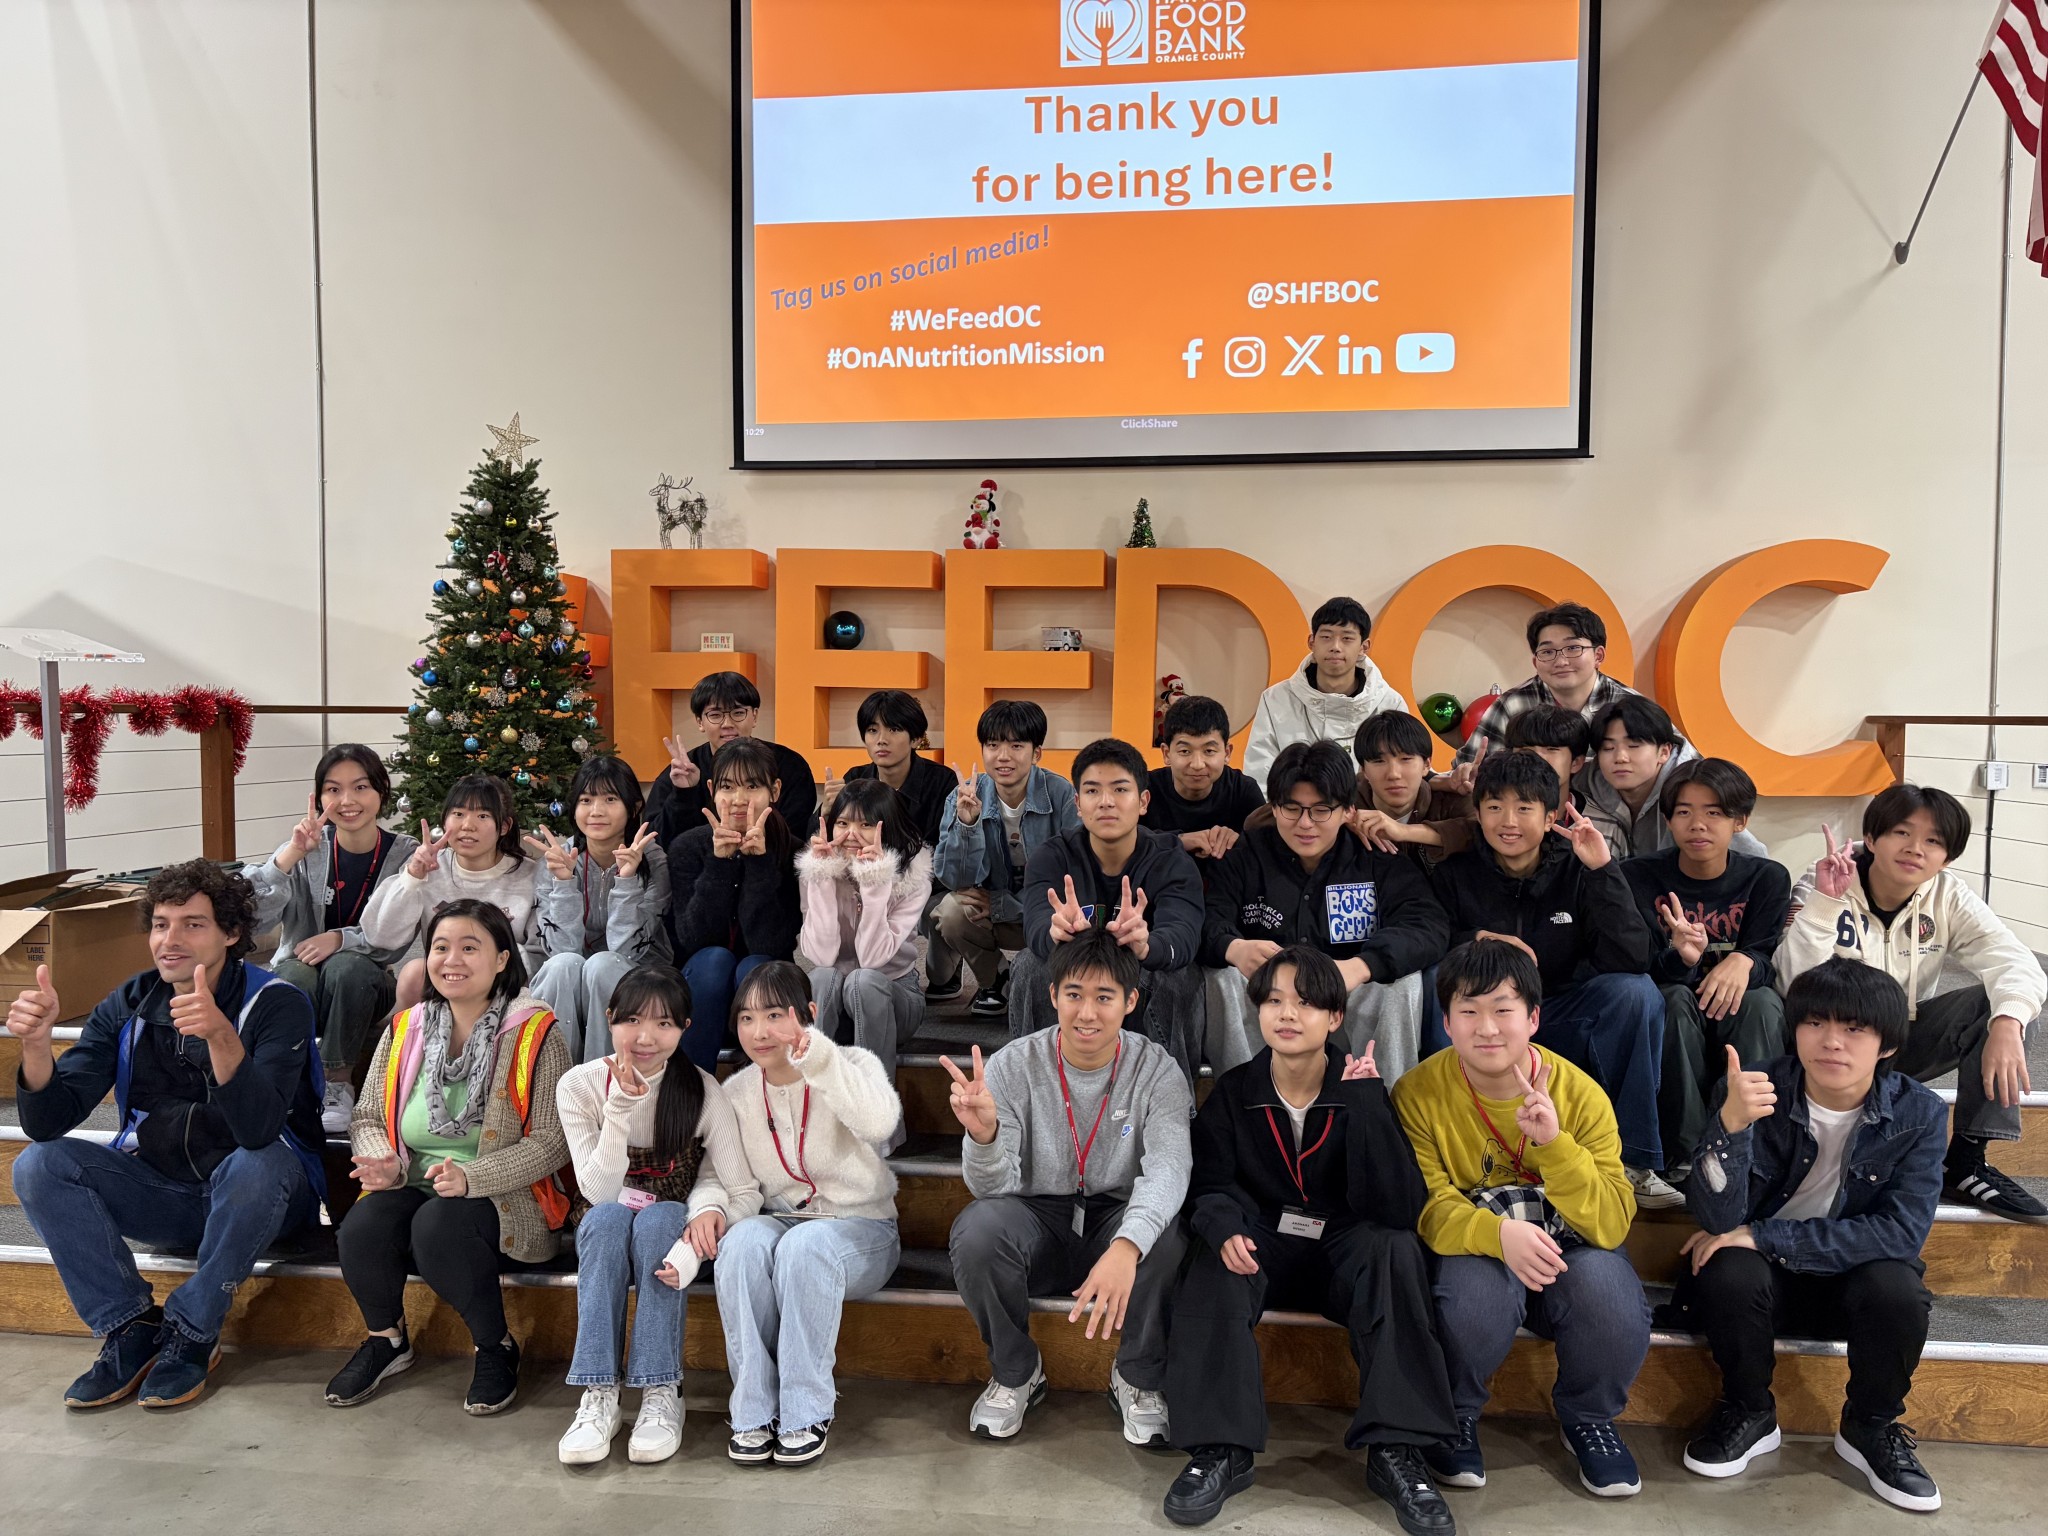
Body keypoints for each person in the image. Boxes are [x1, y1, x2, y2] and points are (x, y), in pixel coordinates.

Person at [8, 861, 326, 1410]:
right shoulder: (129, 1002)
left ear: (231, 933)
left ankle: (193, 1332)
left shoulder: (277, 1003)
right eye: (160, 924)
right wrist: (36, 1047)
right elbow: (46, 1123)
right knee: (38, 1164)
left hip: (266, 1198)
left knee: (257, 1163)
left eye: (192, 925)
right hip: (168, 1194)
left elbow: (258, 1130)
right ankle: (129, 1327)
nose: (170, 940)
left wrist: (221, 1036)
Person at [1163, 946, 1459, 1533]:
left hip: (1342, 1246)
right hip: (1265, 1240)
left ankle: (1397, 1449)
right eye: (1273, 1001)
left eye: (1305, 1003)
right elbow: (1211, 1184)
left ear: (1335, 1016)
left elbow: (1400, 1207)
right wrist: (1224, 1227)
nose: (1287, 1014)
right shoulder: (1235, 1091)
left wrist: (1367, 1107)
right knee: (1212, 1256)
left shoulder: (1362, 1087)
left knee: (1395, 1249)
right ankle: (1220, 1449)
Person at [1671, 960, 1944, 1511]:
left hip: (1852, 1288)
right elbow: (1717, 1220)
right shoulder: (1752, 1089)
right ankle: (1749, 1410)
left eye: (1854, 1029)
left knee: (1899, 1290)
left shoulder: (1920, 1113)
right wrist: (1730, 1127)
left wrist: (1767, 1236)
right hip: (1763, 1291)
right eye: (1815, 1023)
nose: (1831, 1042)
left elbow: (1901, 1234)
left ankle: (1870, 1425)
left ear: (1887, 1045)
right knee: (1726, 1266)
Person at [1393, 940, 1651, 1500]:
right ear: (1446, 1022)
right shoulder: (1416, 1093)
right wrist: (1497, 1234)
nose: (1487, 1028)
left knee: (1610, 1297)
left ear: (1533, 1018)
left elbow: (1611, 1222)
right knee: (1470, 1299)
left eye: (1503, 1010)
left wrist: (1554, 1145)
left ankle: (1588, 1418)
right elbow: (1427, 1204)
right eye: (1469, 1011)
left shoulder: (1581, 1094)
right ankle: (1456, 1414)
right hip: (1480, 1241)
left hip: (1571, 1243)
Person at [327, 900, 572, 1415]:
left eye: (469, 947)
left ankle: (495, 1345)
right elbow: (367, 1116)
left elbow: (552, 1142)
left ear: (502, 959)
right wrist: (383, 1159)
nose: (451, 960)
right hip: (413, 1182)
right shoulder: (406, 1028)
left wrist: (471, 1176)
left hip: (505, 1195)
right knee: (362, 1228)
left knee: (439, 1225)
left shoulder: (535, 1032)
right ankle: (387, 1340)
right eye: (440, 947)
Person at [945, 933, 1192, 1444]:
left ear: (1131, 1001)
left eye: (1105, 997)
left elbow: (1169, 1168)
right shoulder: (1013, 1065)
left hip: (1115, 1214)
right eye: (1074, 994)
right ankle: (1016, 1372)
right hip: (1036, 1215)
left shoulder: (1158, 1070)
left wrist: (1128, 1245)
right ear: (1053, 994)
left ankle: (1138, 1377)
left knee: (1167, 1235)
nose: (1087, 1013)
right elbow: (990, 1187)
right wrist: (983, 1137)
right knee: (978, 1230)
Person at [1779, 783, 2048, 1220]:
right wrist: (1825, 903)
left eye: (1933, 841)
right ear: (1871, 838)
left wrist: (2007, 1023)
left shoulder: (1948, 894)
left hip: (1901, 1041)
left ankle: (1966, 1160)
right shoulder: (1827, 879)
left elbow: (2015, 961)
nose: (1915, 849)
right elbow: (1792, 983)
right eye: (1902, 833)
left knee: (2006, 1007)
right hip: (1831, 1049)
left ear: (1948, 857)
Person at [1429, 750, 1679, 1205]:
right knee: (1432, 985)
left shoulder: (1579, 867)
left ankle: (1635, 1162)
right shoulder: (1454, 874)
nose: (1508, 821)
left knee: (1635, 993)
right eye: (1494, 807)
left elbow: (1631, 958)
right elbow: (1429, 940)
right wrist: (1478, 939)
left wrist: (1602, 871)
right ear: (1478, 813)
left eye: (1524, 808)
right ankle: (1451, 1155)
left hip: (1561, 1013)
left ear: (1550, 818)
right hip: (1488, 1021)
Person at [552, 966, 758, 1465]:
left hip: (670, 1234)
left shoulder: (702, 1090)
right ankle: (599, 1391)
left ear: (685, 1028)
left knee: (660, 1219)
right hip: (603, 1222)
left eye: (664, 1023)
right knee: (606, 1220)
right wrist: (620, 1106)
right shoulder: (580, 1085)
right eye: (632, 1020)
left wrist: (698, 1237)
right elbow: (599, 1193)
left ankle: (661, 1388)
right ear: (609, 1019)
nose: (645, 1037)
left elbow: (743, 1191)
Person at [717, 962, 905, 1467]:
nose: (759, 1031)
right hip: (783, 1222)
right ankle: (753, 1409)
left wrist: (819, 1062)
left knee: (805, 1246)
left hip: (861, 1228)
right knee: (741, 1243)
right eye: (747, 1017)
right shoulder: (736, 1091)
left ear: (809, 1014)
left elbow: (880, 1123)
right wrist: (707, 1211)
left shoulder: (852, 1063)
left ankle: (805, 1410)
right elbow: (720, 1175)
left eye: (774, 1015)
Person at [1200, 741, 1449, 1080]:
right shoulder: (1245, 856)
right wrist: (1235, 947)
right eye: (1292, 808)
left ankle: (1379, 1100)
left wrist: (1362, 966)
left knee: (1401, 984)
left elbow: (1428, 924)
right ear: (1274, 807)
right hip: (1268, 1001)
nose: (1305, 823)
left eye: (1321, 810)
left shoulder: (1376, 857)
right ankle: (1243, 1098)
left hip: (1347, 1000)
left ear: (1348, 811)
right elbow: (1207, 917)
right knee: (1221, 975)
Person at [1621, 758, 1791, 1171]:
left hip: (1738, 1005)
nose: (1698, 825)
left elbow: (1768, 957)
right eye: (1684, 812)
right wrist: (1681, 958)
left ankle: (1757, 1145)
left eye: (1714, 813)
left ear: (1739, 821)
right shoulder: (1637, 876)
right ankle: (1689, 1153)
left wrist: (1744, 959)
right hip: (1676, 998)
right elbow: (1638, 963)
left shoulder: (1766, 877)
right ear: (1669, 821)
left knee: (1762, 1003)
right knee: (1672, 1001)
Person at [1012, 737, 1208, 1084]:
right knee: (1030, 965)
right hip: (1077, 969)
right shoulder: (1052, 857)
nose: (1106, 802)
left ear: (1143, 801)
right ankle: (1033, 1090)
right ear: (1077, 803)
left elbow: (1184, 934)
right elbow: (1037, 925)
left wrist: (1149, 945)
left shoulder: (1171, 861)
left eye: (1120, 789)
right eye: (1092, 791)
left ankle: (1172, 1099)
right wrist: (1055, 934)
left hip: (1140, 971)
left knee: (1178, 975)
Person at [245, 743, 419, 1131]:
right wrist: (289, 856)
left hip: (366, 987)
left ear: (381, 792)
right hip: (302, 981)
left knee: (347, 967)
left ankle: (337, 1083)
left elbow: (399, 935)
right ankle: (284, 1080)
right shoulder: (305, 848)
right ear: (320, 797)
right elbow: (251, 920)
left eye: (360, 787)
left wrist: (340, 940)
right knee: (294, 973)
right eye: (333, 789)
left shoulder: (405, 854)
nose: (347, 801)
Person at [929, 699, 1080, 1017]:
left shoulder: (1062, 795)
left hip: (1046, 916)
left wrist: (1002, 904)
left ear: (1036, 753)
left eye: (1016, 745)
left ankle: (1050, 984)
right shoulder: (963, 796)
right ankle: (996, 980)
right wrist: (967, 825)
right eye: (993, 745)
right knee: (951, 911)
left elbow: (1075, 879)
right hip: (993, 918)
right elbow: (953, 880)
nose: (1003, 756)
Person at [666, 738, 802, 1074]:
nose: (739, 799)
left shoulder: (793, 852)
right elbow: (691, 940)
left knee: (755, 966)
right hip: (702, 992)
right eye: (728, 786)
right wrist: (719, 864)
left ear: (775, 790)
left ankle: (764, 1087)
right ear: (712, 790)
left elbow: (771, 945)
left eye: (752, 786)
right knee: (714, 960)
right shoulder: (688, 847)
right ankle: (694, 1088)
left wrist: (759, 865)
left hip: (767, 994)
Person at [797, 776, 930, 1117]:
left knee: (864, 980)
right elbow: (820, 956)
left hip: (893, 1000)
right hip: (832, 1002)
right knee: (823, 976)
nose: (852, 834)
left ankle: (878, 1118)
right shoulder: (818, 866)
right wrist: (822, 877)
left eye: (866, 824)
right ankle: (811, 1109)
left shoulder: (913, 876)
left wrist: (874, 882)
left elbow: (872, 959)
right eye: (843, 823)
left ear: (889, 827)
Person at [528, 755, 672, 1064]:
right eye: (586, 800)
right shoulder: (557, 858)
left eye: (610, 799)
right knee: (563, 965)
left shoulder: (653, 860)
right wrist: (564, 883)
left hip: (637, 978)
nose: (596, 811)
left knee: (602, 965)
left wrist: (627, 880)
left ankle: (605, 1079)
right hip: (568, 980)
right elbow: (560, 950)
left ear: (633, 807)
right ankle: (552, 1078)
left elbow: (628, 951)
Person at [360, 772, 538, 1011]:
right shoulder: (428, 867)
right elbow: (381, 937)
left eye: (483, 815)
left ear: (504, 826)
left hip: (505, 983)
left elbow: (541, 954)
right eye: (458, 814)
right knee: (413, 973)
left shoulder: (529, 875)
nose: (467, 826)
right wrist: (412, 878)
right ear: (445, 820)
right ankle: (413, 1035)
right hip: (446, 978)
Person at [1450, 602, 1643, 776]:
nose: (1561, 661)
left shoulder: (1630, 706)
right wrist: (1465, 776)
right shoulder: (1513, 705)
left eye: (1573, 648)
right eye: (1548, 652)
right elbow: (1467, 769)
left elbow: (1659, 770)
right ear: (1535, 662)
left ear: (1598, 656)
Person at [1244, 597, 1411, 792]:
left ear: (1363, 647)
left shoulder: (1390, 703)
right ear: (1311, 642)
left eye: (1347, 638)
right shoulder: (1276, 699)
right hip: (1295, 810)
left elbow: (1406, 769)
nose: (1335, 647)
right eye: (1326, 637)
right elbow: (1261, 774)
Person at [642, 670, 818, 852]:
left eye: (738, 712)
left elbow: (795, 839)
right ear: (700, 722)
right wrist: (683, 795)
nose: (727, 724)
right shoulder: (681, 773)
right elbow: (653, 843)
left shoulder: (790, 766)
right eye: (715, 715)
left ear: (754, 716)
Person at [1579, 695, 1767, 862]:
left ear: (1664, 752)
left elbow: (1754, 860)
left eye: (1633, 746)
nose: (1620, 757)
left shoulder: (1693, 787)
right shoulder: (1586, 779)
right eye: (1608, 748)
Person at [1143, 694, 1266, 868]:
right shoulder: (1145, 789)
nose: (1197, 764)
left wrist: (1240, 841)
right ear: (1166, 753)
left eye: (1209, 751)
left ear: (1227, 753)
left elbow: (1267, 850)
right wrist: (1179, 840)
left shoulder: (1243, 790)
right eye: (1185, 751)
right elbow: (1121, 842)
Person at [1350, 710, 1473, 870]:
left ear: (1426, 765)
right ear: (1363, 770)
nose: (1393, 774)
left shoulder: (1450, 800)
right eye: (1379, 761)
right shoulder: (1345, 804)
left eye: (1406, 759)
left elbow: (1480, 831)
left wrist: (1403, 831)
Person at [839, 687, 954, 850]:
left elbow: (944, 851)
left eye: (894, 729)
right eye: (872, 730)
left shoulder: (942, 783)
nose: (881, 740)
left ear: (916, 739)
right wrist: (827, 810)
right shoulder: (855, 779)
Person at [1502, 705, 1592, 811]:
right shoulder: (1490, 814)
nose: (1537, 758)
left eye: (1551, 749)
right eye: (1525, 750)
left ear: (1575, 763)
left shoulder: (1599, 820)